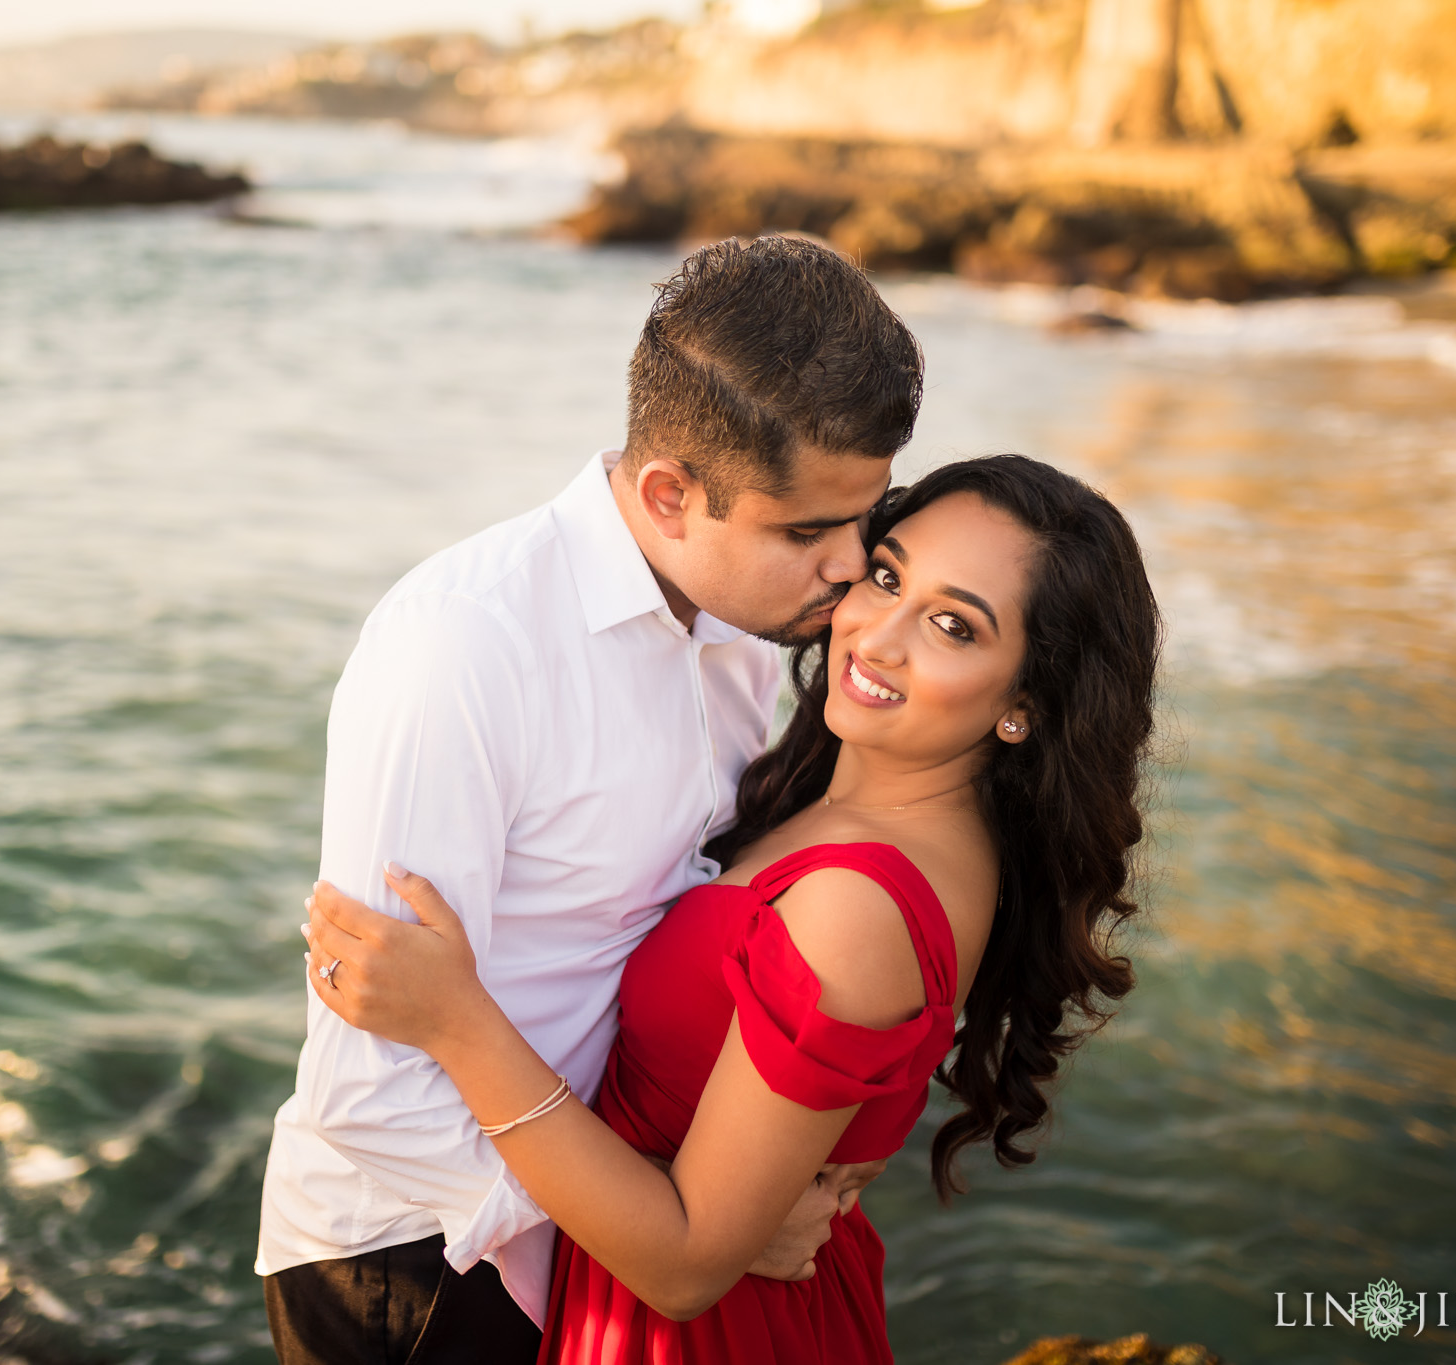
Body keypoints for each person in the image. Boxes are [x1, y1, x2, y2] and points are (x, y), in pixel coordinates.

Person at [305, 454, 1163, 1363]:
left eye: (953, 625)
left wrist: (458, 1021)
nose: (876, 635)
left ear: (1023, 705)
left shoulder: (857, 907)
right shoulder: (869, 811)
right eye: (887, 574)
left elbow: (683, 1265)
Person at [255, 235, 926, 1364]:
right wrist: (683, 1224)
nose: (851, 567)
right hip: (419, 1267)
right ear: (669, 495)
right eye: (806, 531)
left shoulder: (736, 633)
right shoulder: (462, 648)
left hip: (588, 1225)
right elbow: (373, 1086)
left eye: (864, 518)